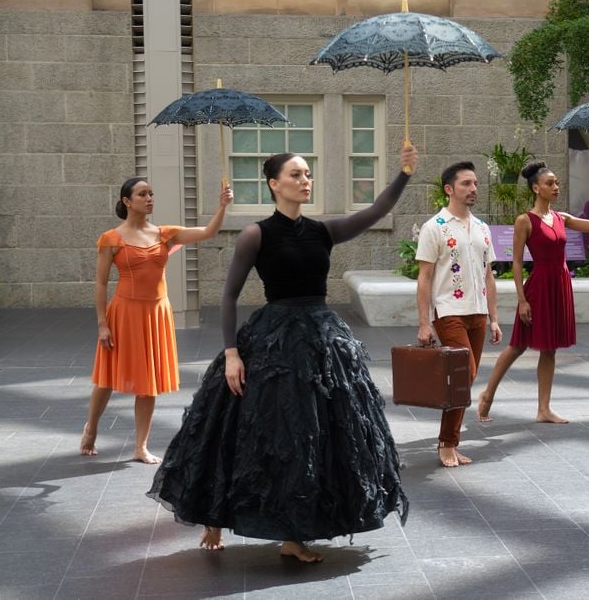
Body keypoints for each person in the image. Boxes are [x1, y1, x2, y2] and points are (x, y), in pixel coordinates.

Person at [148, 145, 417, 563]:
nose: (305, 180)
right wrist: (232, 353)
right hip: (274, 339)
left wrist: (403, 172)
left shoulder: (323, 231)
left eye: (307, 174)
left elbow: (377, 211)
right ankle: (216, 515)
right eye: (295, 174)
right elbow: (229, 295)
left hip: (321, 338)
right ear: (274, 184)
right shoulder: (257, 234)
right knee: (264, 432)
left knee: (316, 434)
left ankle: (294, 533)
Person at [81, 177, 233, 464]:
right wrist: (102, 323)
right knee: (108, 377)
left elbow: (208, 232)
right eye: (142, 194)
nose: (149, 198)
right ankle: (91, 428)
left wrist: (222, 205)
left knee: (148, 382)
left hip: (156, 313)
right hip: (124, 313)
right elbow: (101, 284)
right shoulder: (111, 238)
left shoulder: (165, 233)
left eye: (151, 193)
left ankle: (140, 446)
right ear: (127, 201)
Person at [476, 161, 589, 424]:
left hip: (560, 284)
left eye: (557, 183)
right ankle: (488, 394)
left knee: (549, 348)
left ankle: (544, 409)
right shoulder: (524, 221)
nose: (556, 187)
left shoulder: (562, 218)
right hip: (539, 286)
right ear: (536, 188)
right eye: (550, 183)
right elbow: (517, 262)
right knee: (518, 345)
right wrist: (522, 300)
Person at [415, 161, 502, 468]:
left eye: (475, 183)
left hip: (477, 313)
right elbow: (424, 277)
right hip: (448, 311)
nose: (473, 189)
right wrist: (425, 322)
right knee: (462, 376)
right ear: (449, 189)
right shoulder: (434, 227)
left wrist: (493, 317)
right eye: (466, 184)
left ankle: (449, 439)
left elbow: (488, 275)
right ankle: (447, 442)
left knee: (466, 376)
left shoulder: (482, 228)